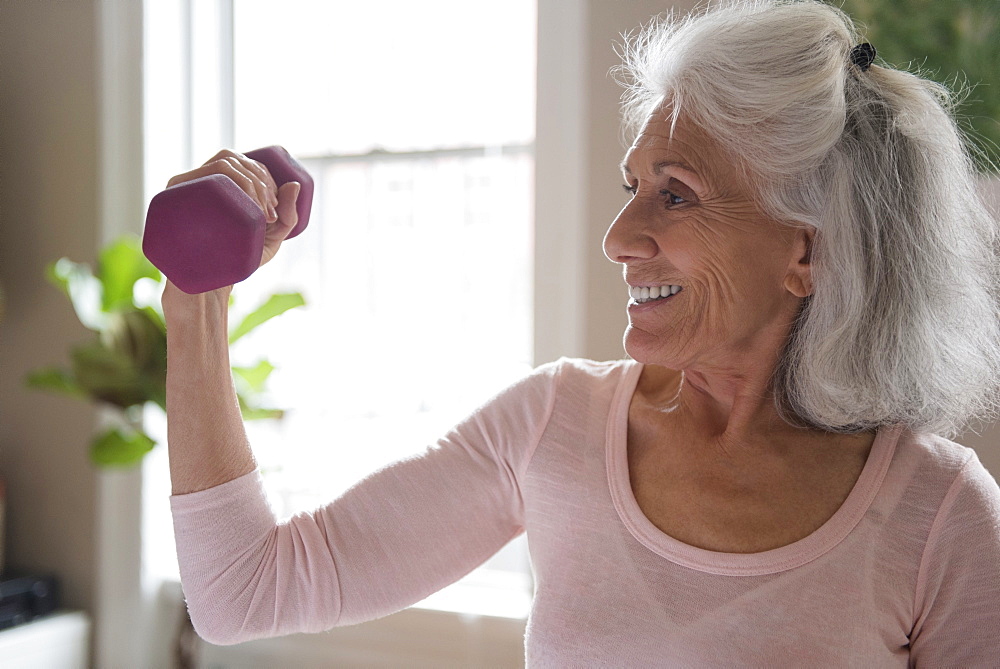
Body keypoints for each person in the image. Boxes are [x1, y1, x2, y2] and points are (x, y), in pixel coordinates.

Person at [165, 0, 1000, 664]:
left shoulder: (939, 514)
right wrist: (195, 303)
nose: (619, 237)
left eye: (676, 194)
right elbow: (245, 591)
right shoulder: (553, 424)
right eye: (632, 184)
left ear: (806, 249)